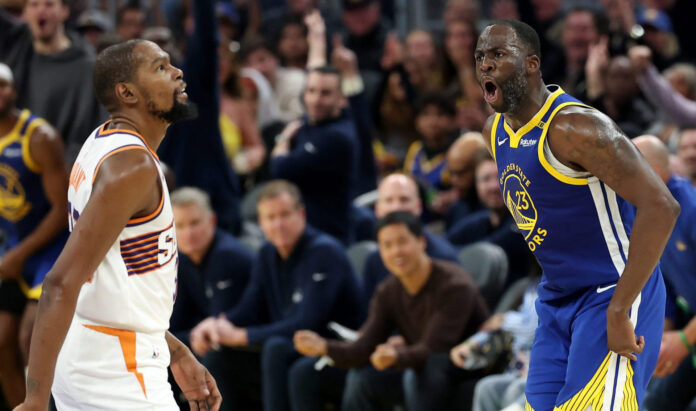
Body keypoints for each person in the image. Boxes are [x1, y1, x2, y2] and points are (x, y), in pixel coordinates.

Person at [476, 19, 679, 409]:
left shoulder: (575, 128)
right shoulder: (494, 132)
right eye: (480, 56)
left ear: (531, 63)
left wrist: (620, 308)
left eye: (498, 54)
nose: (485, 64)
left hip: (611, 292)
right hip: (556, 299)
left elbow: (662, 206)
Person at [13, 39, 221, 411]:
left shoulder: (102, 140)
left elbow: (113, 281)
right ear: (127, 92)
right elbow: (59, 283)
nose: (178, 72)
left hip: (98, 346)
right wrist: (35, 400)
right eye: (160, 67)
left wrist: (173, 350)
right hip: (117, 366)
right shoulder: (133, 166)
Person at [189, 180, 366, 411]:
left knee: (277, 349)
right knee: (218, 356)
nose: (278, 224)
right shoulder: (267, 253)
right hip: (289, 350)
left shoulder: (325, 251)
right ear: (261, 223)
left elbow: (307, 323)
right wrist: (216, 325)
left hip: (335, 349)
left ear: (301, 214)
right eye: (270, 218)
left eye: (285, 215)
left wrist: (244, 336)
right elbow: (249, 309)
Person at [293, 211, 489, 411]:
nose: (396, 252)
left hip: (466, 366)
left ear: (421, 242)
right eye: (387, 245)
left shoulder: (454, 284)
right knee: (363, 379)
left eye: (402, 242)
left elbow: (435, 348)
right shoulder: (388, 290)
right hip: (420, 365)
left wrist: (396, 356)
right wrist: (324, 347)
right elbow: (364, 348)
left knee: (430, 366)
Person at [0, 62, 68, 408]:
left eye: (2, 85)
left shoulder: (40, 137)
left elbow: (62, 210)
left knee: (31, 340)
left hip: (50, 251)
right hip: (14, 248)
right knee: (1, 344)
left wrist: (19, 254)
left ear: (13, 90)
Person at [633, 135, 696, 410]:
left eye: (626, 168)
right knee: (651, 401)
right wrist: (659, 339)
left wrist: (682, 340)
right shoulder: (648, 215)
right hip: (689, 325)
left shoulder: (690, 210)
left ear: (654, 173)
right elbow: (665, 286)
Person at [0, 0, 106, 163]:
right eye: (34, 5)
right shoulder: (17, 49)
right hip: (15, 166)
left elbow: (90, 132)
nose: (41, 10)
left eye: (49, 4)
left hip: (65, 168)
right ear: (25, 13)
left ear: (64, 11)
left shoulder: (87, 67)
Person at [269, 66, 359, 244]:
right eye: (311, 91)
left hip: (328, 238)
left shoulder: (338, 136)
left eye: (325, 93)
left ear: (341, 97)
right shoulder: (310, 122)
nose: (316, 100)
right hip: (301, 235)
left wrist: (283, 141)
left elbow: (279, 169)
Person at [169, 186, 253, 346]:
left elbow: (218, 328)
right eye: (180, 226)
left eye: (195, 223)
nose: (188, 233)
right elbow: (177, 321)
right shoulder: (182, 259)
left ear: (212, 221)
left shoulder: (227, 256)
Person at [361, 173, 459, 300]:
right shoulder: (373, 261)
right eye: (389, 200)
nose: (396, 207)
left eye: (404, 200)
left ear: (419, 206)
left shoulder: (444, 257)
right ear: (377, 209)